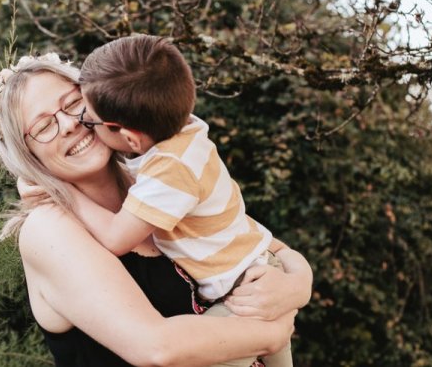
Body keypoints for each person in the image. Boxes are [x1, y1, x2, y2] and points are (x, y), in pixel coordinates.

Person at [0, 53, 312, 367]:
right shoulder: (48, 228)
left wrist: (296, 286)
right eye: (43, 127)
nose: (70, 124)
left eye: (73, 104)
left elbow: (268, 247)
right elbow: (155, 347)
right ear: (27, 157)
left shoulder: (155, 181)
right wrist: (272, 333)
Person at [73, 35, 304, 366]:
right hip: (255, 269)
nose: (80, 123)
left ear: (127, 136)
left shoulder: (170, 171)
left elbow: (114, 237)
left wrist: (59, 193)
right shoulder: (181, 132)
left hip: (246, 291)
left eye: (87, 118)